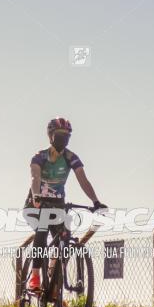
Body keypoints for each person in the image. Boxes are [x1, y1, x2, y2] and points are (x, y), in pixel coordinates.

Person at [23, 117, 105, 291]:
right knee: (42, 230)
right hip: (35, 204)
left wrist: (95, 201)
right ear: (51, 135)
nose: (64, 138)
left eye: (67, 135)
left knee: (65, 238)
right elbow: (35, 177)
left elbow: (83, 180)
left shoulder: (71, 157)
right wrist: (36, 195)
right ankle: (36, 276)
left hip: (57, 204)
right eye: (60, 134)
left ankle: (53, 282)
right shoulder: (40, 156)